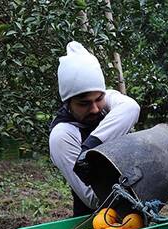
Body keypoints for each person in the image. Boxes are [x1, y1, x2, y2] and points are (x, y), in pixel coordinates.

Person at [49, 42, 140, 216]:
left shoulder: (107, 102)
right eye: (84, 103)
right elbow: (93, 198)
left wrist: (89, 147)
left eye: (98, 99)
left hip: (134, 214)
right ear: (68, 103)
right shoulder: (62, 135)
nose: (95, 109)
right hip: (97, 226)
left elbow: (131, 108)